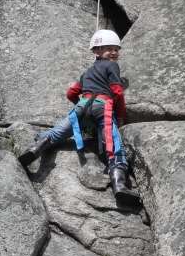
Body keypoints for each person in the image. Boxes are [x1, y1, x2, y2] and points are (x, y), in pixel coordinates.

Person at [19, 29, 129, 196]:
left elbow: (71, 93)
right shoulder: (112, 66)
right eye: (109, 49)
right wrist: (120, 115)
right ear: (97, 51)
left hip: (82, 106)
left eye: (116, 49)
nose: (114, 53)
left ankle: (37, 147)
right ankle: (119, 185)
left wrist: (83, 106)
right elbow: (118, 92)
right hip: (103, 106)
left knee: (58, 133)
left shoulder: (87, 73)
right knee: (113, 145)